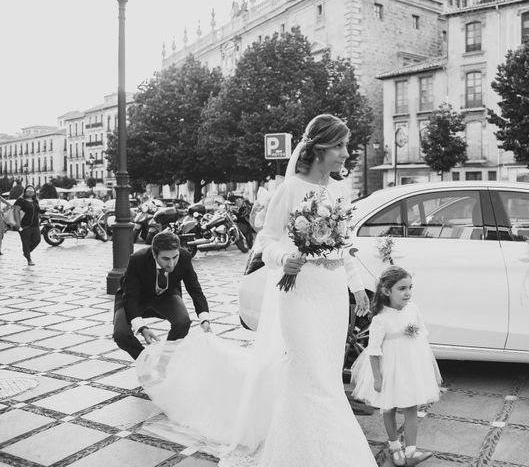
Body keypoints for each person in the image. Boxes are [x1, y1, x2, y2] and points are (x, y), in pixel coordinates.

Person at [135, 114, 375, 466]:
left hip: (333, 296)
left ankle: (311, 452)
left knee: (325, 376)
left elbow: (345, 246)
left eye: (345, 145)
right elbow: (266, 240)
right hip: (301, 295)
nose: (345, 152)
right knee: (311, 378)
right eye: (339, 145)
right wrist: (286, 258)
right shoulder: (290, 189)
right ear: (319, 148)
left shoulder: (339, 190)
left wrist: (357, 289)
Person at [351, 266, 441, 466]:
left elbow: (422, 332)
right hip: (389, 369)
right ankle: (395, 447)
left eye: (410, 287)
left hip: (411, 365)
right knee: (389, 408)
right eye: (402, 288)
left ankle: (411, 451)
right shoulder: (380, 319)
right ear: (386, 291)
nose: (408, 292)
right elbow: (374, 351)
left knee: (411, 408)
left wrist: (418, 351)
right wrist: (377, 377)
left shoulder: (413, 309)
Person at [112, 231, 212, 360]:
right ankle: (146, 360)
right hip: (135, 297)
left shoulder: (184, 257)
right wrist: (142, 327)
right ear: (154, 254)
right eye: (165, 259)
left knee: (183, 322)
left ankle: (165, 360)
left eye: (174, 257)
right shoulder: (137, 259)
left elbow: (194, 289)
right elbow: (131, 295)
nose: (171, 264)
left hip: (166, 295)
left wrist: (204, 319)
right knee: (121, 335)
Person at [12, 185, 44, 266]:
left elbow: (38, 211)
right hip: (24, 225)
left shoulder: (35, 201)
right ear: (25, 191)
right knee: (26, 242)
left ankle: (26, 252)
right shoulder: (21, 200)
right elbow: (16, 211)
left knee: (37, 240)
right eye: (28, 190)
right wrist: (18, 223)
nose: (30, 192)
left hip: (35, 225)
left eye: (32, 191)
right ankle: (29, 259)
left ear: (34, 193)